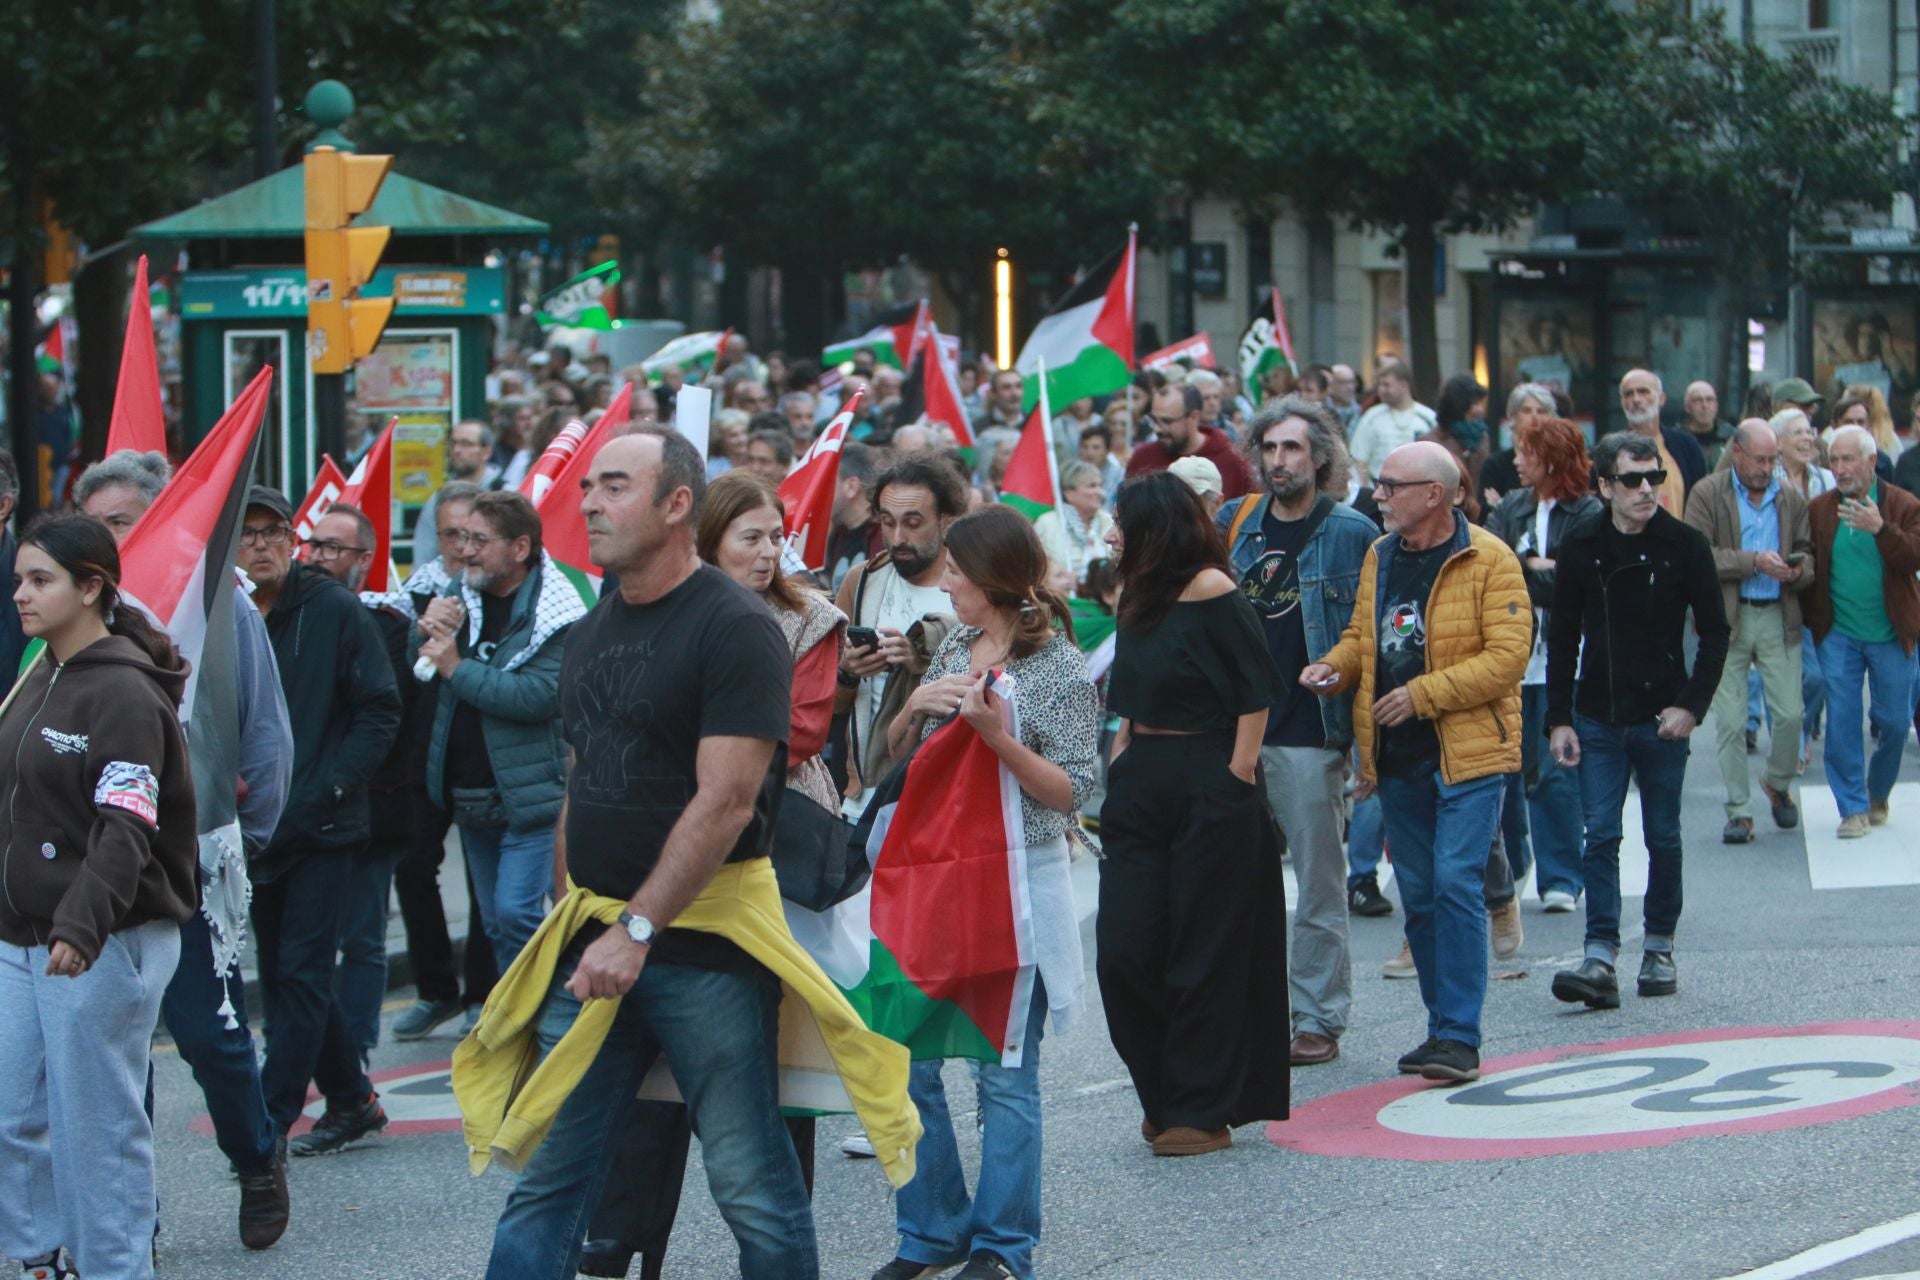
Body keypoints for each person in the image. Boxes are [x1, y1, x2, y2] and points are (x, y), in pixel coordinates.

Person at [481, 431, 820, 1279]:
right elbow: (577, 785)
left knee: (752, 1188)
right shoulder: (592, 631)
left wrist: (636, 930)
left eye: (615, 486)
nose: (588, 502)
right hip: (595, 944)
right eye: (588, 486)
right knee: (548, 1180)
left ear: (677, 506)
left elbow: (728, 800)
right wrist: (574, 920)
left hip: (701, 952)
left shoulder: (736, 627)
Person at [581, 471, 847, 1280]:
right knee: (642, 1076)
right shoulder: (642, 612)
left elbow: (792, 735)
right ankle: (624, 1232)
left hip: (771, 846)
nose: (769, 554)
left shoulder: (806, 618)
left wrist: (697, 738)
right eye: (751, 538)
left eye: (778, 538)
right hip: (651, 849)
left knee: (760, 1066)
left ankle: (776, 1236)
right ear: (704, 539)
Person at [74, 451, 295, 1250]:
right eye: (93, 525)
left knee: (209, 1034)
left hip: (189, 863)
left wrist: (246, 843)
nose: (107, 539)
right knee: (112, 1053)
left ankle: (257, 1155)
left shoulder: (219, 604)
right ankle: (134, 1214)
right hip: (91, 869)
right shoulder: (69, 615)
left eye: (123, 521)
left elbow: (264, 731)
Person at [873, 505, 1098, 1280]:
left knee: (1004, 1074)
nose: (947, 582)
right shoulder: (955, 649)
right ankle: (931, 1229)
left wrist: (998, 737)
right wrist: (911, 710)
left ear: (995, 580)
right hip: (936, 885)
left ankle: (1004, 1248)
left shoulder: (1060, 668)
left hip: (1016, 890)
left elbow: (1074, 792)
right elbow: (895, 764)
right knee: (908, 1062)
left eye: (959, 573)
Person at [0, 515, 196, 1280]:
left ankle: (116, 1268)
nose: (21, 593)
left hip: (101, 939)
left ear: (92, 587)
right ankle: (40, 1259)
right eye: (18, 578)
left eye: (41, 579)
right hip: (23, 936)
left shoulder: (122, 692)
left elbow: (127, 824)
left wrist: (81, 924)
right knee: (16, 1116)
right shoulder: (39, 669)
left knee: (96, 1129)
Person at [1301, 442, 1529, 1085]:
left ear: (1435, 494)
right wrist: (1336, 668)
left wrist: (1423, 695)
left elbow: (1508, 657)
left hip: (1470, 752)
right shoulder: (1380, 555)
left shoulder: (1491, 557)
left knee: (1457, 881)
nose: (1378, 496)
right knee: (1422, 895)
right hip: (1396, 756)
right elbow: (1363, 635)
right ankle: (1439, 1030)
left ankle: (1460, 1035)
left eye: (1390, 485)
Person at [1099, 471, 1289, 1155]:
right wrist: (1123, 751)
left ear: (1159, 529)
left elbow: (1254, 692)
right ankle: (1162, 1095)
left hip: (1210, 777)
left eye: (1122, 522)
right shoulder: (1134, 595)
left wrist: (1236, 776)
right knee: (1125, 951)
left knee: (1204, 951)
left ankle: (1202, 1110)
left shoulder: (1213, 590)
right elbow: (1129, 688)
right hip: (1142, 780)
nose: (1112, 534)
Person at [239, 486, 402, 1157]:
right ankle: (351, 1097)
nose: (260, 545)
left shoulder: (332, 608)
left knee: (301, 976)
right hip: (254, 829)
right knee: (284, 973)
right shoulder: (225, 615)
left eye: (273, 531)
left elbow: (380, 709)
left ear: (293, 540)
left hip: (324, 827)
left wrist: (333, 784)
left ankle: (266, 1126)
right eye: (245, 534)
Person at [1217, 397, 1377, 1067]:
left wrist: (1365, 740)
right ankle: (1250, 1015)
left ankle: (1317, 1018)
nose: (1278, 461)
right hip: (1235, 730)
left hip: (1311, 734)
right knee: (1234, 886)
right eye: (1269, 449)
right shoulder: (1236, 522)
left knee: (1317, 884)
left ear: (1319, 456)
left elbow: (1367, 636)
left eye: (1291, 449)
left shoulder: (1352, 532)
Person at [1546, 434, 1728, 1009]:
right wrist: (1558, 719)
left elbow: (1716, 631)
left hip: (1661, 715)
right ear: (1604, 486)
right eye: (1631, 480)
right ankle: (1599, 952)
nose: (1646, 489)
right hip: (1597, 713)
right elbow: (1562, 639)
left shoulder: (1684, 543)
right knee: (1599, 834)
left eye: (1654, 478)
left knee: (1663, 835)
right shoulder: (1580, 545)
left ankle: (1659, 944)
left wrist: (1691, 706)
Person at [416, 490, 581, 973]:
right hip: (470, 796)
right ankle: (517, 1032)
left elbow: (535, 697)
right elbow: (422, 669)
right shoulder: (458, 592)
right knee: (494, 924)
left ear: (520, 548)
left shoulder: (558, 613)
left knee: (518, 915)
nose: (464, 549)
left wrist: (454, 666)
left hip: (528, 801)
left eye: (479, 540)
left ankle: (550, 1024)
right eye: (462, 536)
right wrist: (425, 633)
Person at [304, 503, 416, 1067]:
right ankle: (307, 1051)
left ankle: (357, 1052)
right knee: (303, 945)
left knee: (364, 938)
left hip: (373, 807)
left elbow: (380, 713)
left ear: (364, 560)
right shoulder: (288, 617)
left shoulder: (389, 627)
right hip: (303, 809)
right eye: (313, 545)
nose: (318, 557)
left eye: (332, 547)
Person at [390, 482, 501, 1040]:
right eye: (450, 533)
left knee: (485, 879)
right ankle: (435, 988)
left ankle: (482, 992)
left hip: (481, 759)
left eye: (471, 534)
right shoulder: (414, 594)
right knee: (412, 867)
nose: (461, 546)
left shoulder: (504, 591)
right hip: (422, 758)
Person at [1484, 416, 1599, 913]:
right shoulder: (1513, 507)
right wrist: (1532, 569)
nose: (1514, 460)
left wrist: (1536, 572)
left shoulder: (1589, 512)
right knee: (1508, 766)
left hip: (1565, 660)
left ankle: (1562, 877)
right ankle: (1515, 864)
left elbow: (1581, 582)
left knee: (1557, 766)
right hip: (1511, 657)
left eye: (1524, 452)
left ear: (1550, 458)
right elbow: (1491, 567)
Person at [1683, 421, 1814, 844]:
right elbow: (1698, 554)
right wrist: (1753, 561)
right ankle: (1739, 811)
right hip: (1727, 620)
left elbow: (1808, 551)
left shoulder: (1788, 496)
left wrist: (1798, 569)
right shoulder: (1708, 492)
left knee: (1791, 715)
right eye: (1759, 459)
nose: (1767, 467)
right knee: (1732, 723)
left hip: (1778, 613)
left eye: (1772, 458)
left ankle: (1777, 783)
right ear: (1736, 452)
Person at [1803, 425, 1920, 837]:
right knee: (1842, 718)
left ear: (1871, 461)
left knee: (1893, 720)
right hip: (1839, 632)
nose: (1839, 468)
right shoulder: (1819, 508)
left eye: (1847, 459)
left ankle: (1877, 793)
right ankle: (1851, 807)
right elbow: (1807, 553)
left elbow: (1913, 558)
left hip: (1891, 631)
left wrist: (1881, 529)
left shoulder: (1903, 504)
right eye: (1833, 460)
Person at [834, 454, 967, 811]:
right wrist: (848, 672)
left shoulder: (974, 586)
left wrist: (920, 660)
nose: (897, 538)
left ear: (946, 521)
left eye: (912, 523)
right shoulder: (862, 582)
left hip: (942, 800)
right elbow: (828, 702)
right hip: (863, 797)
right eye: (887, 522)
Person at [1125, 384, 1254, 499]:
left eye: (1167, 421)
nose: (1157, 428)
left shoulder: (1232, 462)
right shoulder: (1142, 460)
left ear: (1194, 417)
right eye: (1154, 420)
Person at [1617, 368, 1707, 512]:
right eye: (1628, 394)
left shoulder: (1686, 446)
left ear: (1662, 399)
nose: (1636, 399)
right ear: (1622, 402)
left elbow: (1703, 502)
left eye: (1643, 392)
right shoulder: (1610, 451)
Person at [1346, 362, 1436, 483]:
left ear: (1404, 385)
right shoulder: (1371, 417)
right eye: (1379, 385)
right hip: (1379, 489)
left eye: (1386, 385)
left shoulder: (1428, 418)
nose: (1381, 390)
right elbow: (1359, 460)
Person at [1033, 460, 1115, 589]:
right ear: (1069, 494)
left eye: (1100, 485)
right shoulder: (1047, 524)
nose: (1100, 492)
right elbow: (1037, 571)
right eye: (1092, 486)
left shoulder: (1109, 521)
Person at [1426, 374, 1491, 521]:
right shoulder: (1431, 441)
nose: (1480, 410)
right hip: (1444, 516)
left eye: (1481, 403)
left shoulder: (1481, 436)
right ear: (1460, 405)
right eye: (1475, 404)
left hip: (1477, 515)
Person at [824, 440, 882, 592]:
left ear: (851, 486)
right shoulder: (838, 534)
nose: (816, 494)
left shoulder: (884, 536)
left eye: (825, 482)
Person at [1682, 381, 1732, 469]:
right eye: (1698, 400)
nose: (1704, 405)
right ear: (1687, 407)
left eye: (1709, 400)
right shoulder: (1677, 440)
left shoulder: (1731, 438)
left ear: (1716, 406)